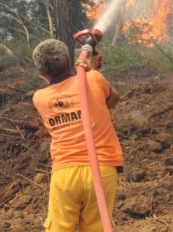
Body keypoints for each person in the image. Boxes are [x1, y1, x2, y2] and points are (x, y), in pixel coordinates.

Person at [31, 39, 122, 231]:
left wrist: (90, 72)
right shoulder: (93, 79)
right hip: (102, 167)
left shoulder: (39, 98)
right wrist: (94, 70)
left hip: (65, 174)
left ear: (41, 72)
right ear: (68, 62)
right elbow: (113, 101)